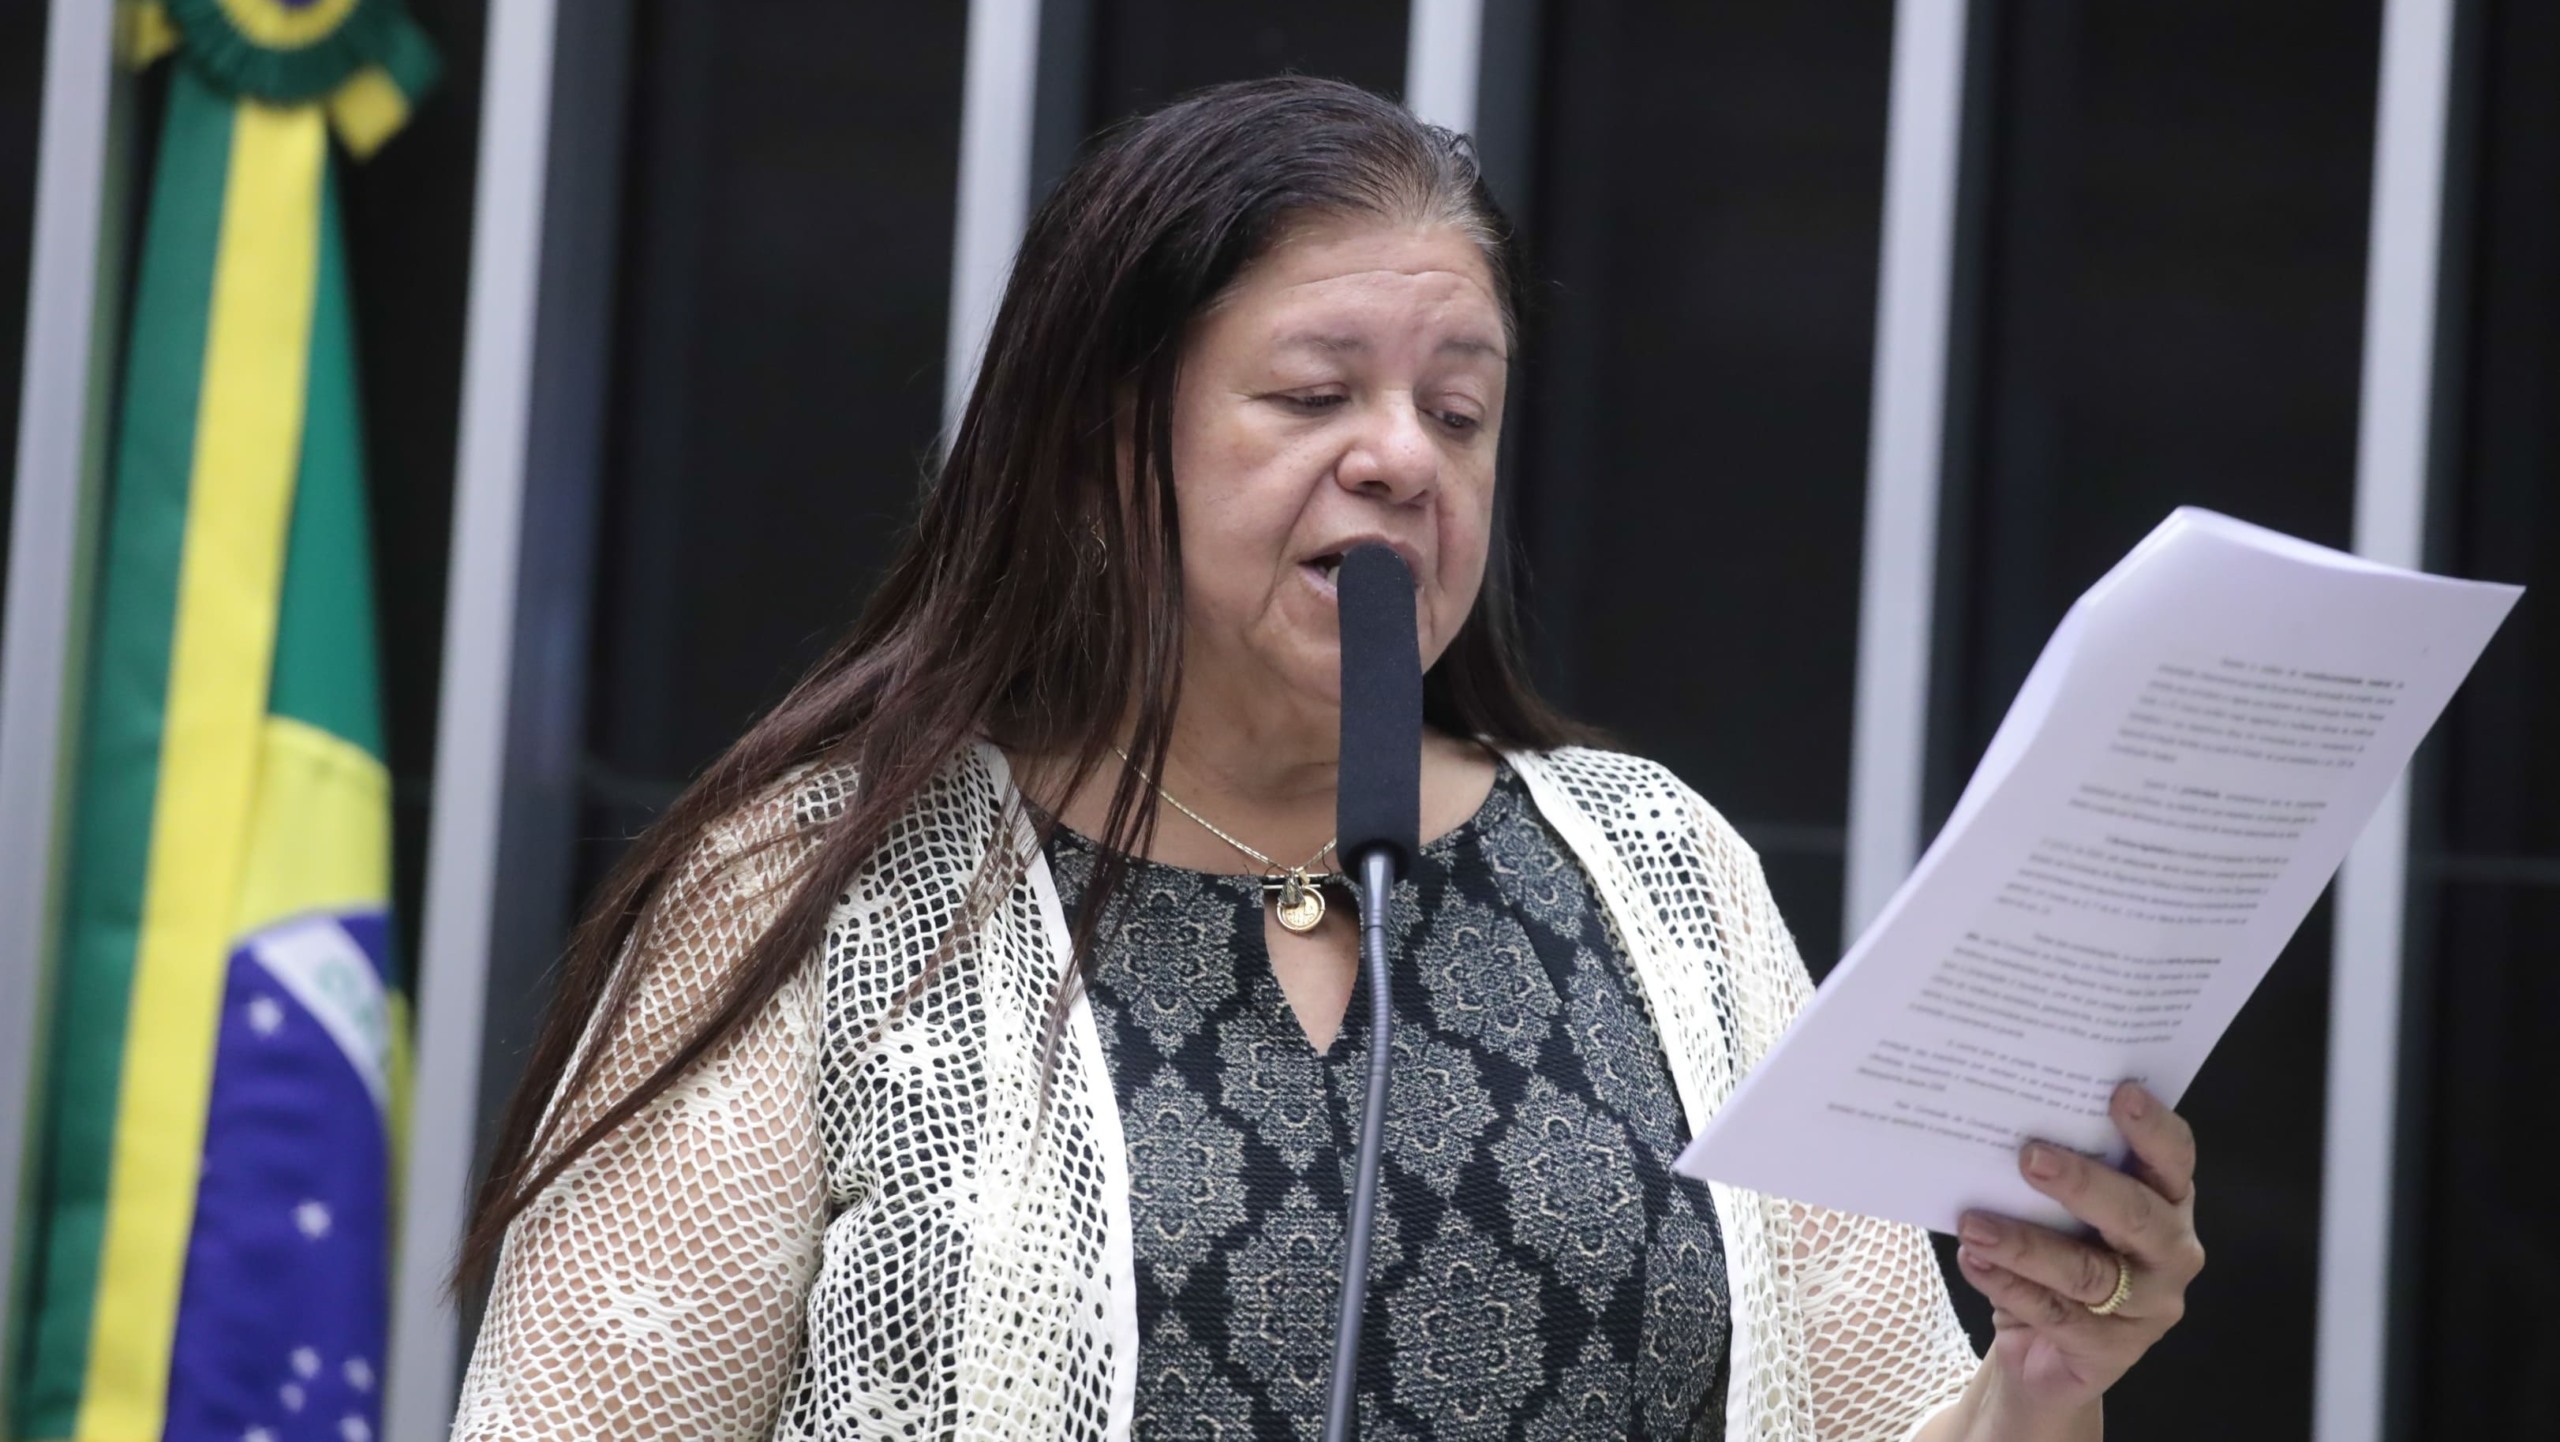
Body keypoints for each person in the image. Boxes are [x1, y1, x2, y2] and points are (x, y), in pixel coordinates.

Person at [450, 77, 2205, 1442]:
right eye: (1312, 395)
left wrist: (2045, 1376)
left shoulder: (1660, 876)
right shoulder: (825, 886)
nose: (1402, 461)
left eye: (1458, 409)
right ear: (1096, 446)